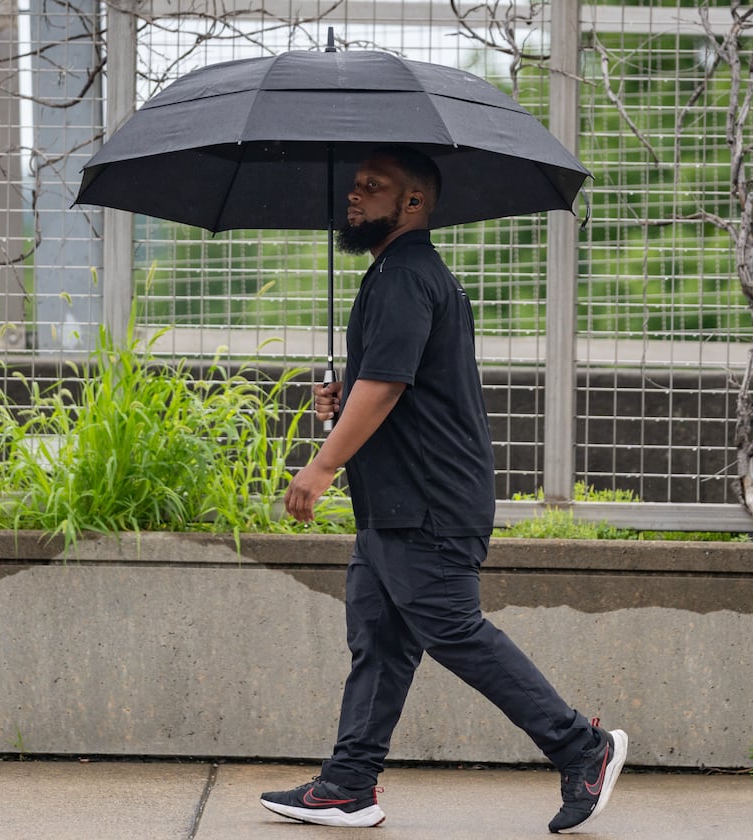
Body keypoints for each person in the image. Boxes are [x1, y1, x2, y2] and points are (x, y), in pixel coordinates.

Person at [260, 145, 626, 834]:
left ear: (414, 203)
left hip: (425, 502)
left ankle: (582, 746)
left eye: (375, 186)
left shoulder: (405, 276)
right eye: (357, 184)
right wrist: (347, 397)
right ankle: (348, 784)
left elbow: (389, 387)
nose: (356, 195)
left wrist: (322, 464)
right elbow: (392, 385)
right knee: (378, 635)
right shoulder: (397, 276)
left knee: (453, 632)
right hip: (398, 502)